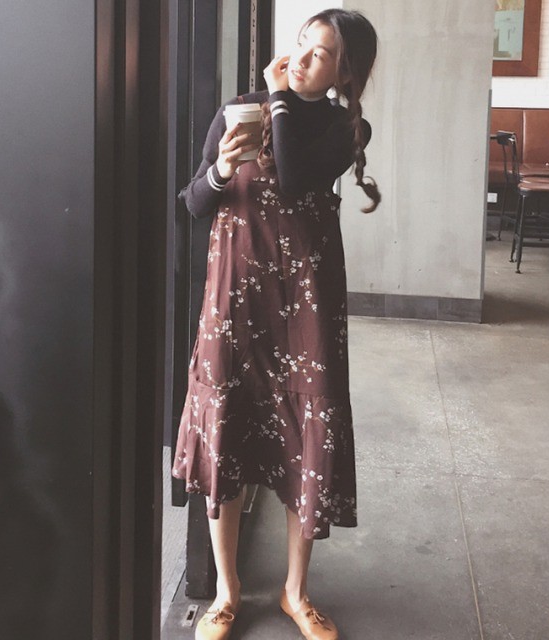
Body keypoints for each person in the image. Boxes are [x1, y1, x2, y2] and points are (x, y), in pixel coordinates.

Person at [172, 9, 379, 640]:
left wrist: (281, 98)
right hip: (235, 297)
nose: (304, 59)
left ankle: (295, 592)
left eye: (322, 54)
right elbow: (192, 204)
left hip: (305, 305)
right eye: (302, 44)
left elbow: (291, 177)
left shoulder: (347, 127)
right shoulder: (240, 109)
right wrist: (221, 169)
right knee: (227, 431)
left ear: (345, 73)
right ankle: (226, 593)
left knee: (303, 436)